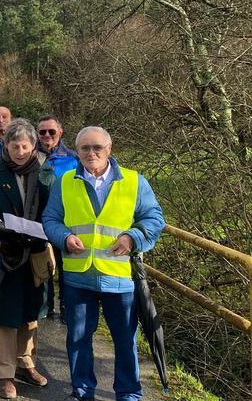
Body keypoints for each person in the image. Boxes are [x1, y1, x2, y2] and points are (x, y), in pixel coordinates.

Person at [43, 126, 164, 401]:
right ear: (77, 151)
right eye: (84, 148)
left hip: (119, 277)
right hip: (78, 276)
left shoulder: (134, 182)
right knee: (78, 339)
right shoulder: (64, 181)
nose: (91, 153)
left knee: (125, 341)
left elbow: (154, 219)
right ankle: (82, 391)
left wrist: (133, 238)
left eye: (97, 147)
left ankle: (129, 393)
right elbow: (50, 219)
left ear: (109, 150)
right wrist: (63, 237)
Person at [0, 119, 55, 399]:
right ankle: (5, 373)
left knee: (31, 312)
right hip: (4, 250)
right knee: (6, 315)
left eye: (25, 145)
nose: (20, 151)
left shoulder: (45, 174)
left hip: (35, 250)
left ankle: (27, 362)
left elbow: (54, 211)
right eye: (14, 145)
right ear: (5, 145)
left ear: (34, 146)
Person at [36, 114, 79, 320]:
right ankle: (45, 306)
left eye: (51, 131)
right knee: (42, 263)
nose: (47, 135)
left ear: (60, 132)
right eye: (42, 131)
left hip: (65, 220)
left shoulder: (73, 158)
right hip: (38, 218)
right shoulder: (30, 155)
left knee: (65, 265)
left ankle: (65, 306)